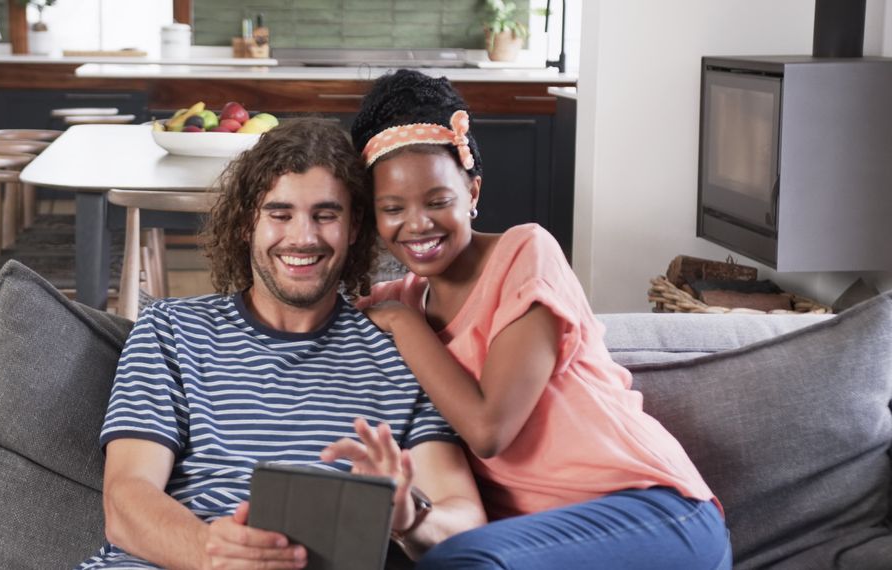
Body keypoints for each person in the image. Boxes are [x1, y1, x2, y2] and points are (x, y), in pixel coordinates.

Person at [349, 69, 732, 569]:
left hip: (656, 515)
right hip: (537, 546)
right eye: (392, 208)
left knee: (460, 560)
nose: (417, 223)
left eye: (438, 201)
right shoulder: (398, 297)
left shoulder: (525, 255)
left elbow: (489, 431)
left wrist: (403, 324)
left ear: (474, 194)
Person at [78, 118, 486, 570]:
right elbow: (126, 500)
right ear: (245, 223)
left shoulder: (402, 356)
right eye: (280, 214)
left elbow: (465, 520)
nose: (303, 237)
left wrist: (410, 519)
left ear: (354, 228)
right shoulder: (170, 330)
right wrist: (216, 556)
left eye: (326, 215)